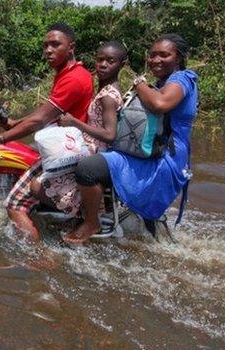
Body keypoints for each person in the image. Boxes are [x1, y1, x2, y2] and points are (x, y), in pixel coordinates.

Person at [65, 33, 198, 245]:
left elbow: (160, 104)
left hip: (165, 158)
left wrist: (139, 84)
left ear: (179, 58)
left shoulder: (182, 79)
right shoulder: (163, 81)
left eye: (164, 55)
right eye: (153, 55)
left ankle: (91, 222)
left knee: (87, 168)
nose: (156, 60)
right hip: (152, 150)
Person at [0, 22, 93, 241]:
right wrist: (15, 122)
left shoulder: (73, 78)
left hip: (67, 149)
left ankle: (37, 260)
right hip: (64, 142)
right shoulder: (68, 72)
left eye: (55, 44)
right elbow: (48, 113)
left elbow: (40, 120)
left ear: (71, 47)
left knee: (14, 204)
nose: (48, 50)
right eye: (46, 45)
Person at [30, 41, 127, 217]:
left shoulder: (108, 96)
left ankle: (75, 211)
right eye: (100, 60)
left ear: (122, 64)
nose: (103, 65)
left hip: (95, 150)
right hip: (90, 146)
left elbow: (110, 134)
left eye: (110, 61)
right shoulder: (107, 89)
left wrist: (75, 122)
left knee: (37, 186)